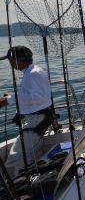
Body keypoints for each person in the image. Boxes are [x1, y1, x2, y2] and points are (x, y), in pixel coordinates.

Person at [0, 46, 53, 176]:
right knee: (26, 154)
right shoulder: (32, 71)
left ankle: (9, 188)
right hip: (35, 118)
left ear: (20, 59)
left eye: (11, 59)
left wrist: (8, 100)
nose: (11, 63)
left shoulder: (33, 73)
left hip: (36, 119)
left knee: (15, 158)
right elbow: (32, 95)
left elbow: (37, 97)